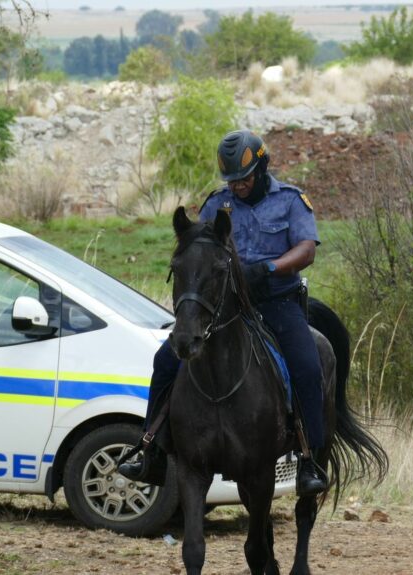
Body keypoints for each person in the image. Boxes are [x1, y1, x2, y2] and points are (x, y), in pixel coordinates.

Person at [118, 129, 328, 496]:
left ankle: (308, 457)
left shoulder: (291, 201)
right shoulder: (217, 204)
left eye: (244, 178)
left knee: (308, 365)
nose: (238, 186)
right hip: (223, 310)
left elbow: (307, 249)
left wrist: (270, 268)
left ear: (261, 169)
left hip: (276, 302)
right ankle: (149, 448)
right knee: (165, 362)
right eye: (232, 180)